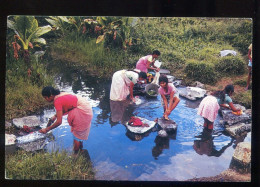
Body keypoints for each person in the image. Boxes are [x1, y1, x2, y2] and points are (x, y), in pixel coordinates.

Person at [39, 86, 93, 154]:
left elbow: (59, 122)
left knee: (77, 133)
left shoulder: (57, 101)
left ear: (51, 95)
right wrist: (55, 116)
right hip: (85, 106)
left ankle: (76, 153)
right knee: (78, 133)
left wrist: (47, 129)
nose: (46, 99)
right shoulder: (60, 94)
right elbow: (68, 105)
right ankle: (80, 149)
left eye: (46, 97)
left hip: (82, 110)